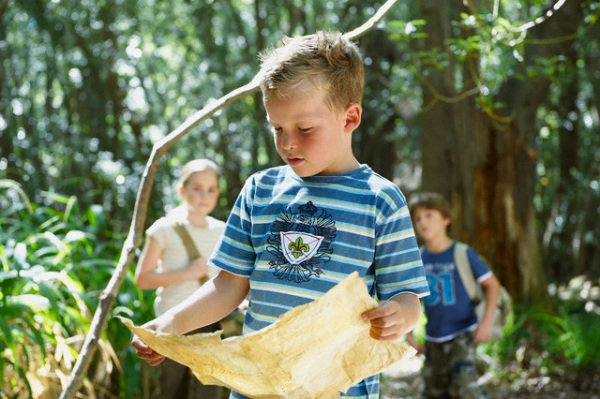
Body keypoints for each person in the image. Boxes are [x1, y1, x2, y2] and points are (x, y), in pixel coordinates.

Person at [132, 31, 430, 399]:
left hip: (340, 388)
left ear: (349, 118)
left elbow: (407, 296)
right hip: (258, 386)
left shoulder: (380, 200)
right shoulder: (260, 190)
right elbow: (228, 286)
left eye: (305, 129)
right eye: (278, 128)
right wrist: (171, 322)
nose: (288, 142)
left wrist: (399, 315)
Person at [134, 158, 226, 399]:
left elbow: (229, 279)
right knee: (172, 390)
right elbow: (142, 279)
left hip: (210, 321)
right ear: (181, 190)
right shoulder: (164, 229)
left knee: (209, 390)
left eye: (211, 189)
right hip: (171, 324)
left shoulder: (223, 231)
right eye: (196, 188)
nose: (204, 195)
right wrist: (187, 273)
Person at [406, 192, 501, 399]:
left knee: (465, 389)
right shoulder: (419, 257)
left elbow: (493, 285)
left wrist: (486, 323)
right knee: (433, 391)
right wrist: (409, 333)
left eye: (429, 215)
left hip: (462, 334)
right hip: (433, 337)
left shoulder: (462, 253)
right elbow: (413, 297)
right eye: (418, 218)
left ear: (446, 219)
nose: (423, 222)